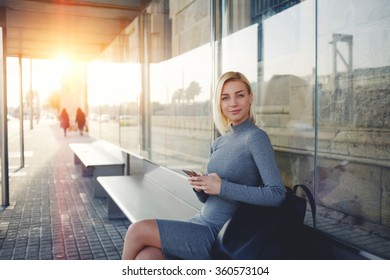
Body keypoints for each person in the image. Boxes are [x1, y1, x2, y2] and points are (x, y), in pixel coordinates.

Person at [121, 71, 286, 260]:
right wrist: (201, 187)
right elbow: (208, 200)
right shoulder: (219, 142)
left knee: (136, 231)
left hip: (219, 234)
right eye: (225, 98)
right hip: (199, 222)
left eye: (239, 95)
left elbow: (277, 195)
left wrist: (221, 187)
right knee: (147, 257)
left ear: (250, 98)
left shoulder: (256, 138)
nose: (233, 103)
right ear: (220, 104)